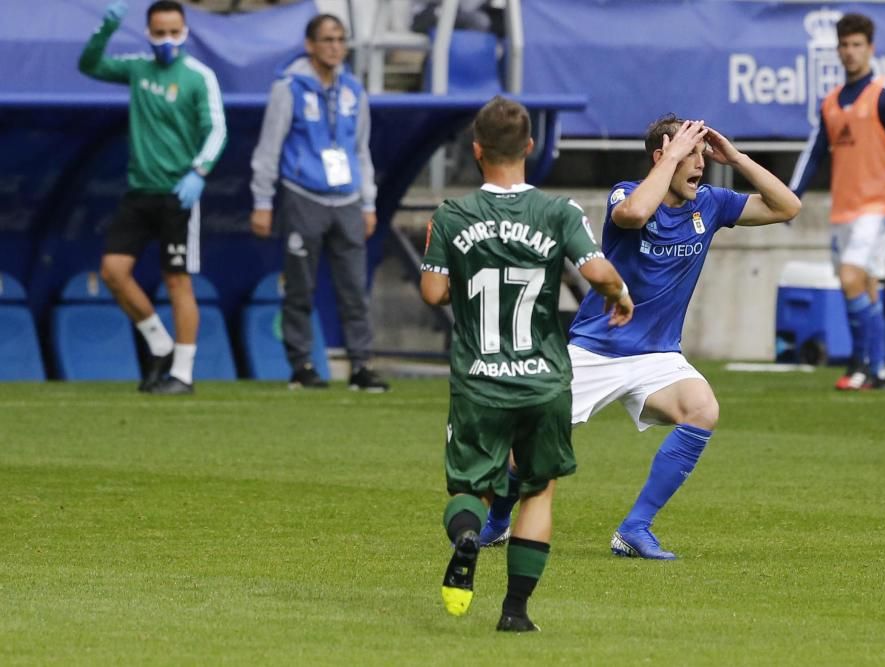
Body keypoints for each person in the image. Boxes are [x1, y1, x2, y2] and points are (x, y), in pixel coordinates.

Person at [480, 115, 801, 560]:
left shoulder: (710, 204)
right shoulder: (627, 193)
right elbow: (632, 216)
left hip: (657, 356)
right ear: (662, 157)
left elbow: (788, 207)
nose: (700, 165)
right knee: (531, 449)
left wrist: (737, 158)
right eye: (690, 154)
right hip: (596, 349)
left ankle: (635, 528)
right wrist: (670, 159)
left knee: (702, 408)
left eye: (701, 155)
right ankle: (497, 520)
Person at [421, 96, 633, 631]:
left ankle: (468, 537)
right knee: (538, 489)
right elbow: (599, 270)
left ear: (476, 150)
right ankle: (515, 613)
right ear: (530, 147)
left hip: (479, 379)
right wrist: (618, 293)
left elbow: (432, 292)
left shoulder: (451, 215)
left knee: (469, 489)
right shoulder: (559, 212)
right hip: (542, 380)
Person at [79, 0, 227, 395]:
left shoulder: (198, 77)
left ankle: (182, 372)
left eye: (173, 32)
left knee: (177, 280)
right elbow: (89, 65)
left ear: (185, 32)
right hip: (139, 191)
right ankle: (158, 341)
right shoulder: (138, 69)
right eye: (159, 32)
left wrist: (199, 172)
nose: (166, 40)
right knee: (112, 271)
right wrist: (105, 29)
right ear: (148, 33)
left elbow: (216, 129)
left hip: (178, 193)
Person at [250, 14, 388, 392]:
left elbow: (361, 151)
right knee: (299, 285)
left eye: (341, 39)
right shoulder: (289, 87)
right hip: (303, 194)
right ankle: (302, 364)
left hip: (346, 198)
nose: (335, 47)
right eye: (327, 39)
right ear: (310, 44)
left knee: (353, 287)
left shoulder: (353, 91)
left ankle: (361, 365)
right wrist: (262, 200)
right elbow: (269, 147)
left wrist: (368, 202)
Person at [789, 12, 885, 391]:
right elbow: (814, 152)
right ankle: (877, 370)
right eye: (844, 45)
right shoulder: (830, 102)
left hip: (876, 208)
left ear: (870, 48)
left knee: (850, 278)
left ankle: (861, 363)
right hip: (843, 209)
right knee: (866, 284)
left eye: (856, 44)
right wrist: (792, 196)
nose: (849, 52)